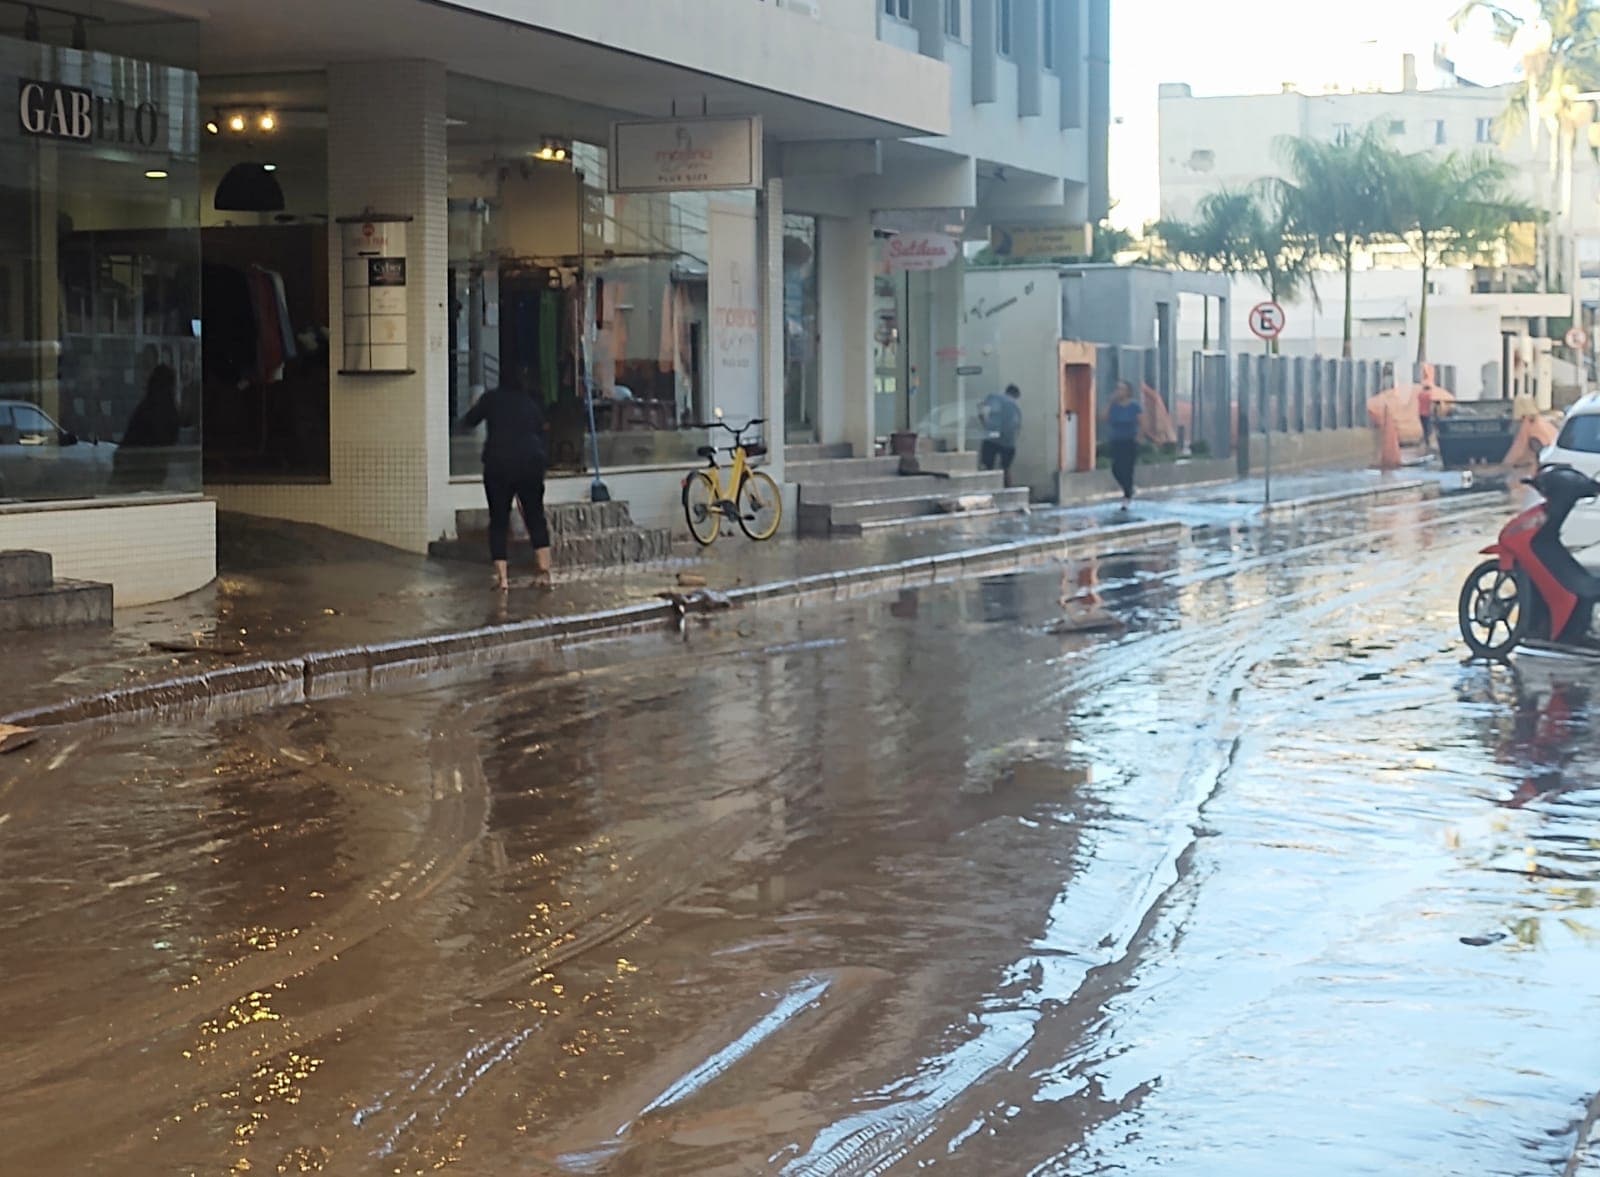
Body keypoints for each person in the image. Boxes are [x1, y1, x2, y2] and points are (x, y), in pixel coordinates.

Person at [460, 379, 551, 591]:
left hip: (499, 464)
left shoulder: (491, 399)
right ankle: (544, 573)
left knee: (499, 520)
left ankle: (502, 579)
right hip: (531, 462)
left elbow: (469, 422)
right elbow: (541, 429)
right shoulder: (530, 402)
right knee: (535, 514)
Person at [1102, 381, 1143, 510]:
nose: (1119, 391)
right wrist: (1109, 402)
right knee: (1116, 468)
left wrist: (1139, 438)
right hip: (1116, 440)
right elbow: (1103, 418)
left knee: (1128, 468)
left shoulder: (1134, 406)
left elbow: (1142, 422)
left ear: (1128, 391)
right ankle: (1129, 489)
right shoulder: (1114, 406)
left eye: (1122, 389)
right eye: (1117, 389)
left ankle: (1127, 497)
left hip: (1130, 440)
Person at [979, 384, 1023, 483]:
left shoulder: (993, 397)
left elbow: (981, 411)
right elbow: (1017, 425)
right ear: (1015, 395)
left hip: (991, 437)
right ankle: (1007, 491)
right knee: (1006, 468)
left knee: (987, 467)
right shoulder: (1015, 406)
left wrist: (986, 425)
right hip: (1008, 441)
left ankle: (986, 488)